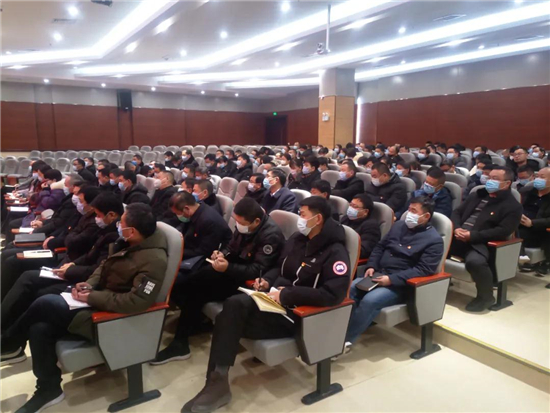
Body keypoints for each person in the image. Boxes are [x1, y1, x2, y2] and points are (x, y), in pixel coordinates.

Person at [181, 197, 349, 412]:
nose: (299, 219)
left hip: (298, 316)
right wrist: (267, 280)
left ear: (318, 219)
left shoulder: (336, 252)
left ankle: (216, 383)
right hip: (274, 302)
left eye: (303, 214)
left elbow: (333, 294)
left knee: (228, 321)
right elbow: (279, 266)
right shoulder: (298, 239)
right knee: (233, 305)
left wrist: (287, 295)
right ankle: (216, 382)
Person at [1, 204, 168, 413]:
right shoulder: (128, 243)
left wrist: (92, 297)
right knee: (39, 328)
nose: (118, 226)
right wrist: (89, 285)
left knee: (45, 302)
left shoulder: (154, 260)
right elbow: (103, 266)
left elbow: (137, 301)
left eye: (121, 224)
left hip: (109, 318)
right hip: (96, 302)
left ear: (132, 231)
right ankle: (48, 388)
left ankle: (7, 342)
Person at [152, 198, 284, 365]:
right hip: (235, 270)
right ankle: (193, 325)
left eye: (241, 223)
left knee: (197, 289)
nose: (238, 226)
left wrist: (228, 267)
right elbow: (232, 246)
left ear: (256, 221)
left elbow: (257, 269)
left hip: (252, 283)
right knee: (190, 282)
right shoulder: (247, 226)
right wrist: (221, 253)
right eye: (236, 221)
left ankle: (181, 343)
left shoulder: (271, 235)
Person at [1, 193, 124, 332]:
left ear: (112, 215)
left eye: (98, 215)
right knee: (22, 271)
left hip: (80, 276)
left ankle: (7, 328)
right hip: (71, 264)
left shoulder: (112, 236)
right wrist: (73, 264)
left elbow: (94, 263)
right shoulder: (100, 226)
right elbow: (83, 249)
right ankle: (6, 322)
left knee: (32, 284)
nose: (96, 218)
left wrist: (71, 268)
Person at [344, 196, 444, 348]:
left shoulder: (434, 240)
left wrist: (391, 279)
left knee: (370, 300)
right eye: (409, 209)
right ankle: (340, 330)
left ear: (426, 216)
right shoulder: (399, 226)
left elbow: (424, 269)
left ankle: (344, 341)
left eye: (413, 211)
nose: (408, 213)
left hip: (400, 284)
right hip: (378, 274)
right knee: (350, 289)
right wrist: (371, 266)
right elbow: (380, 247)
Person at [449, 166, 522, 312]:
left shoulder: (513, 206)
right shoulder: (477, 195)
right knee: (430, 248)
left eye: (495, 179)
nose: (490, 181)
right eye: (489, 177)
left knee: (475, 262)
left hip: (480, 242)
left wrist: (472, 236)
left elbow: (503, 231)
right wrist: (457, 228)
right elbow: (457, 212)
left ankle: (486, 297)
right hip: (457, 236)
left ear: (507, 183)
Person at [169, 191, 232, 263]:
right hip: (192, 248)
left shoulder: (209, 221)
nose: (177, 216)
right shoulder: (196, 210)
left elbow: (203, 251)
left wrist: (176, 252)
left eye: (177, 213)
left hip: (209, 257)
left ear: (187, 209)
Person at [518, 168, 550, 275]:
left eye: (542, 177)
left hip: (539, 230)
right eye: (537, 176)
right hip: (518, 223)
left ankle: (522, 257)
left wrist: (532, 223)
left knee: (515, 233)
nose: (538, 179)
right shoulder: (527, 192)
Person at [341, 194, 381, 259]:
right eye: (350, 205)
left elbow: (363, 250)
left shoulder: (371, 226)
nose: (350, 208)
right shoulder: (346, 218)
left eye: (354, 206)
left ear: (365, 211)